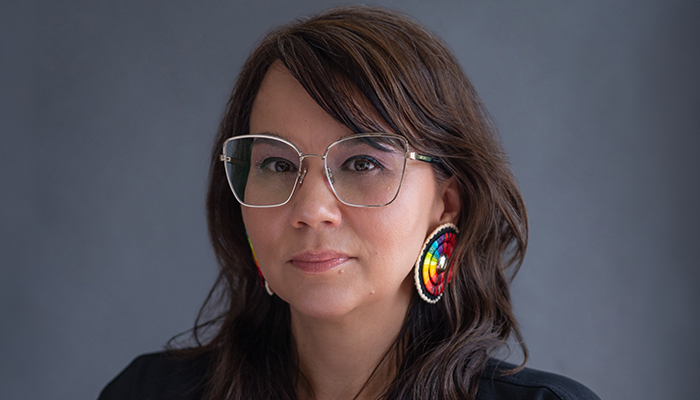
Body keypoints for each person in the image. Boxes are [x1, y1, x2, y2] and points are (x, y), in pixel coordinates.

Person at [99, 5, 600, 400]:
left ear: (446, 201)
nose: (311, 209)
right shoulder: (147, 392)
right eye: (277, 165)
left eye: (362, 164)